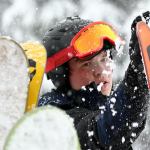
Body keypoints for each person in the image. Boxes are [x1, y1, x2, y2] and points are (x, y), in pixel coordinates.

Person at [38, 13, 150, 150]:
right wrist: (136, 78)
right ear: (62, 76)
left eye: (104, 59)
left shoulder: (107, 105)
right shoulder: (52, 119)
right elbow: (104, 134)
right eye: (86, 64)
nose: (101, 70)